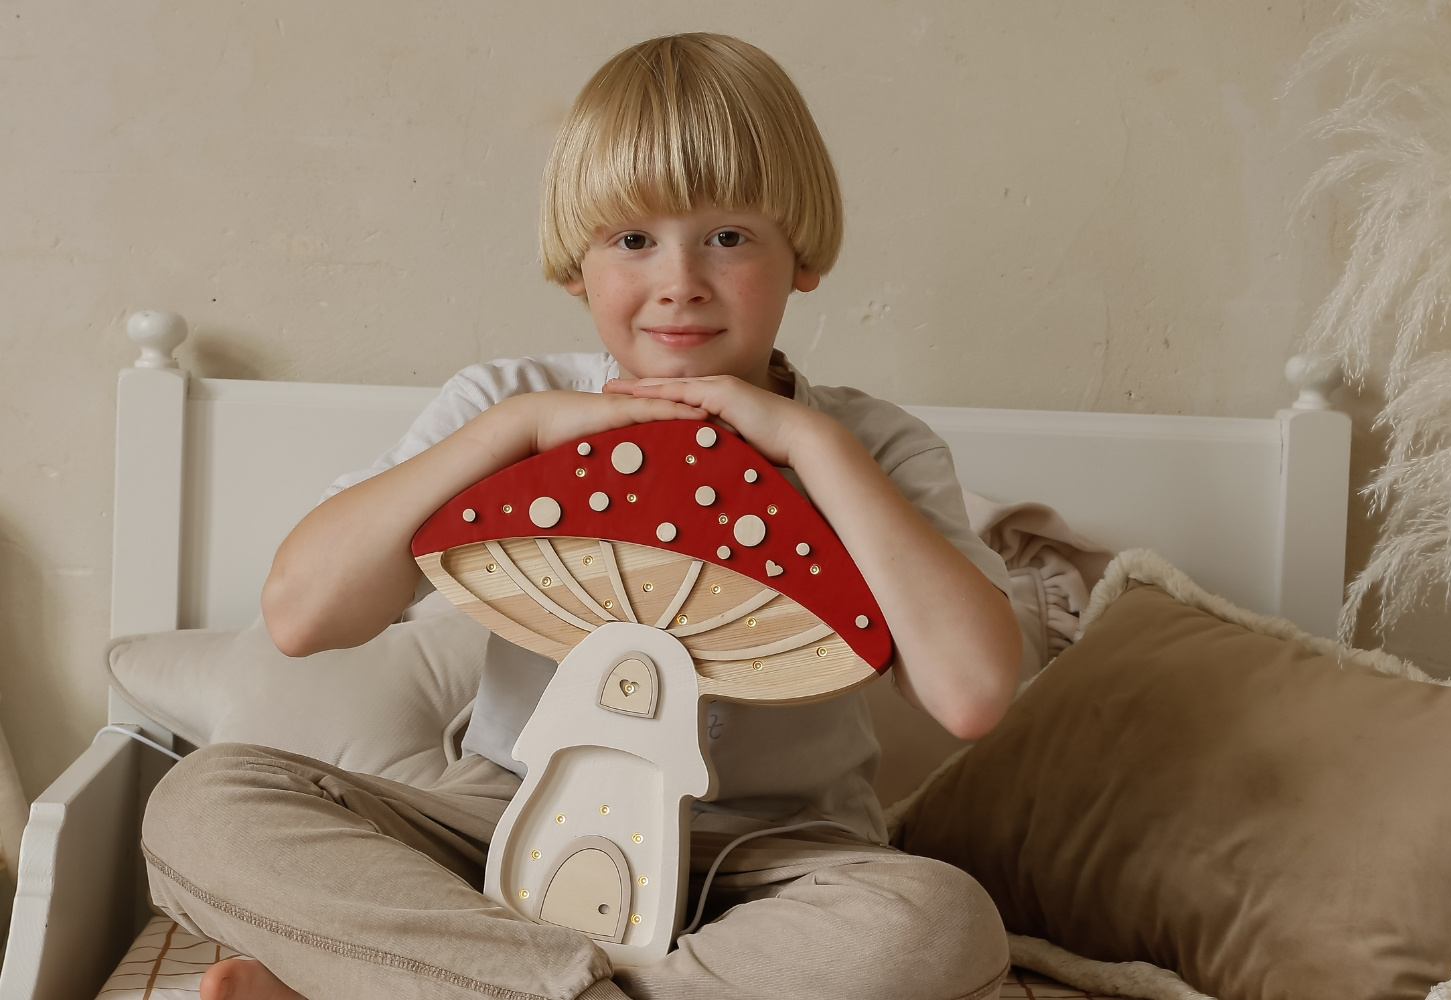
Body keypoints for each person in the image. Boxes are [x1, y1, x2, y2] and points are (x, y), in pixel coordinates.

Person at [142, 32, 1023, 1000]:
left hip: (775, 858)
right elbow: (305, 616)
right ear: (577, 268)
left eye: (728, 237)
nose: (679, 280)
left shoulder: (874, 444)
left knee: (941, 923)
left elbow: (971, 694)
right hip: (494, 827)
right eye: (632, 239)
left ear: (800, 257)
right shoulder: (506, 403)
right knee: (201, 803)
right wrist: (513, 430)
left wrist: (813, 447)